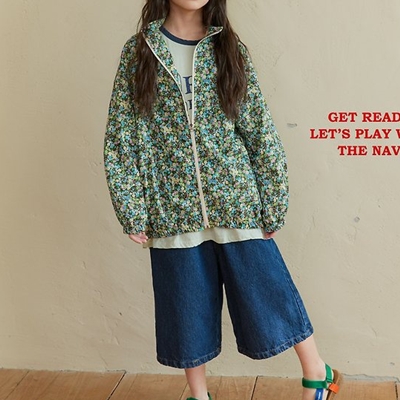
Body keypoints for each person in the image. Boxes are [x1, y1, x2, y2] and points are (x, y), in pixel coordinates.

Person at [104, 1, 342, 399]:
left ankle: (317, 370)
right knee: (186, 307)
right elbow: (121, 134)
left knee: (268, 289)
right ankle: (198, 394)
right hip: (172, 205)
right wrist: (131, 206)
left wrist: (273, 198)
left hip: (235, 197)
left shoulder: (228, 47)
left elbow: (258, 127)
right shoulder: (140, 50)